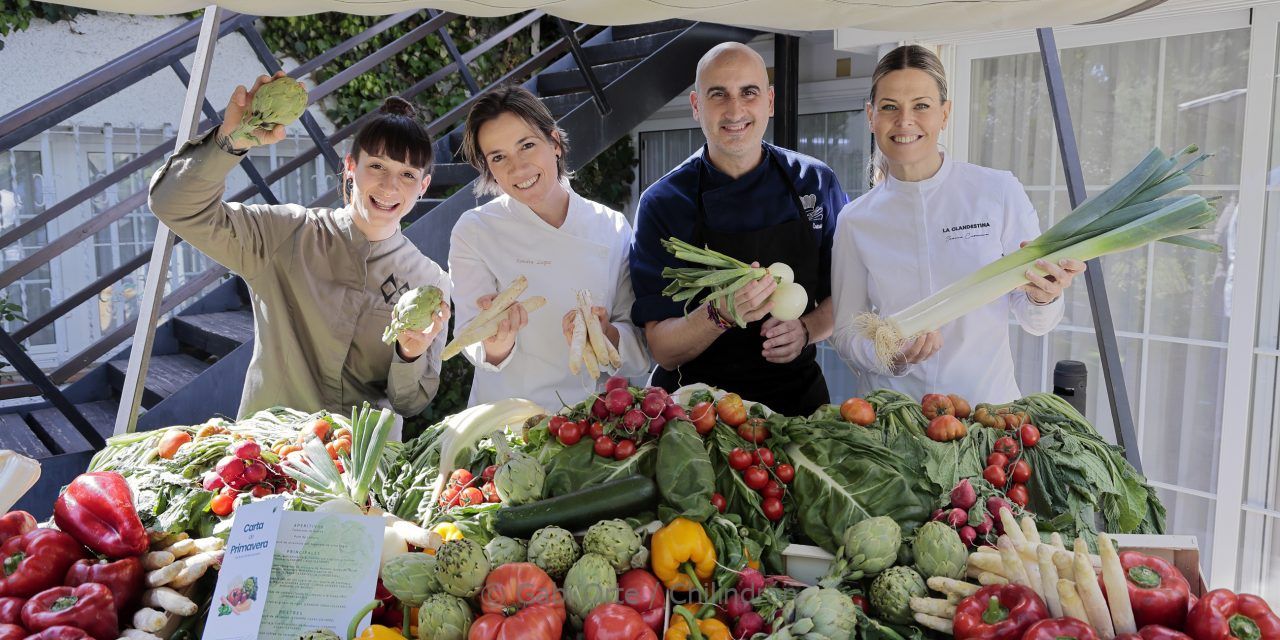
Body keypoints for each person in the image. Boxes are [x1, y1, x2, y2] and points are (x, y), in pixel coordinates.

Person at [148, 72, 451, 434]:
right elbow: (175, 206)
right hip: (269, 458)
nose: (389, 186)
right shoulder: (287, 233)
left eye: (407, 174)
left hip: (360, 465)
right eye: (377, 166)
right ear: (351, 167)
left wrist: (409, 353)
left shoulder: (429, 281)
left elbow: (410, 402)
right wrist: (229, 141)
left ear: (424, 186)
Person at [830, 45, 1085, 403]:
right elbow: (845, 331)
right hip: (894, 415)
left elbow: (1036, 321)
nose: (905, 121)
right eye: (889, 107)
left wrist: (1045, 296)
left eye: (921, 105)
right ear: (871, 116)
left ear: (945, 114)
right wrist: (890, 357)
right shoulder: (856, 219)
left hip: (984, 414)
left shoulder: (995, 191)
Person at [629, 42, 848, 416]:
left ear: (770, 101)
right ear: (697, 106)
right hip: (696, 411)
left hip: (796, 404)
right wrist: (720, 314)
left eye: (749, 92)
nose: (735, 110)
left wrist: (807, 329)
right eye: (719, 95)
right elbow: (663, 350)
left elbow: (845, 297)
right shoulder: (662, 204)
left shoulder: (814, 182)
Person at [449, 85, 648, 409]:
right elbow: (473, 340)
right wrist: (497, 340)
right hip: (506, 424)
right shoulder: (475, 230)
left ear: (554, 142)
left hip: (589, 425)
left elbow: (637, 345)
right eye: (498, 157)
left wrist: (605, 333)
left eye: (526, 145)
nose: (518, 168)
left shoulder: (609, 227)